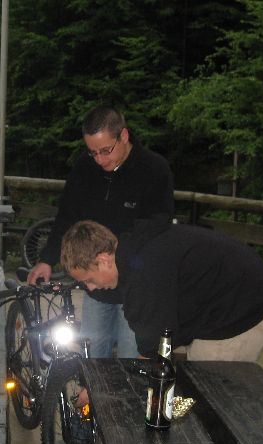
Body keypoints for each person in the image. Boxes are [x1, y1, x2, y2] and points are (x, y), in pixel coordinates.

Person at [27, 107, 174, 359]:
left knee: (131, 358)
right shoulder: (84, 168)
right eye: (93, 152)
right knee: (93, 355)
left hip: (135, 286)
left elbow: (158, 227)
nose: (100, 160)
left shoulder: (154, 169)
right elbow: (67, 217)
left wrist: (122, 260)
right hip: (95, 286)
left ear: (123, 136)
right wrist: (47, 258)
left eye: (106, 150)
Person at [60, 219, 263, 360]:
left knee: (207, 390)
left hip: (242, 309)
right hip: (219, 298)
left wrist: (106, 384)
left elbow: (152, 350)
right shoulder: (130, 252)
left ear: (103, 260)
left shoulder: (145, 273)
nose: (90, 288)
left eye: (89, 280)